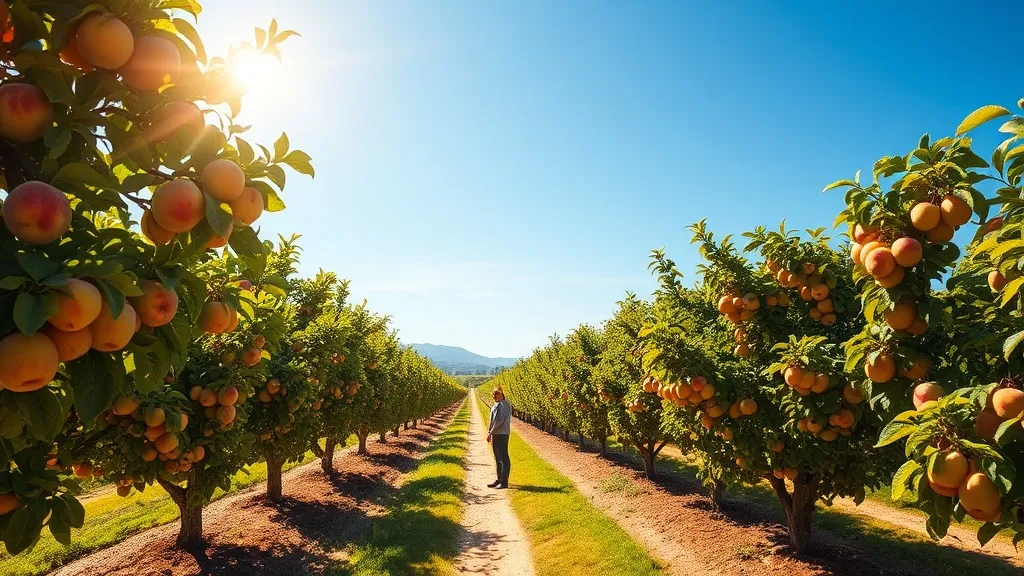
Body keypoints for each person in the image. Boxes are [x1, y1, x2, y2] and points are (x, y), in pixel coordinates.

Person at [487, 388, 512, 488]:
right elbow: (493, 420)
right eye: (493, 395)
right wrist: (490, 432)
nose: (494, 397)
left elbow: (500, 420)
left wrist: (491, 432)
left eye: (496, 395)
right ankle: (499, 479)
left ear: (501, 394)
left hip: (502, 434)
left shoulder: (504, 404)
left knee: (503, 457)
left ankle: (504, 482)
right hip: (496, 434)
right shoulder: (497, 404)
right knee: (498, 457)